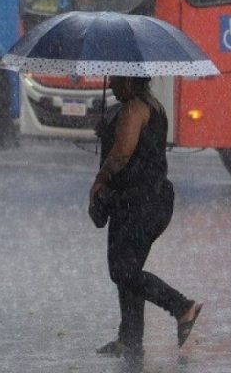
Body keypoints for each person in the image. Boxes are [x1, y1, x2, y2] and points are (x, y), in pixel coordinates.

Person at [89, 75, 202, 360]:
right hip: (153, 200)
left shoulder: (133, 109)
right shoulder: (154, 106)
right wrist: (106, 128)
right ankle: (129, 339)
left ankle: (181, 307)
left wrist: (100, 179)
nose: (111, 85)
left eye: (116, 80)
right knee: (129, 268)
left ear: (130, 80)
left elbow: (121, 155)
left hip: (137, 202)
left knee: (123, 271)